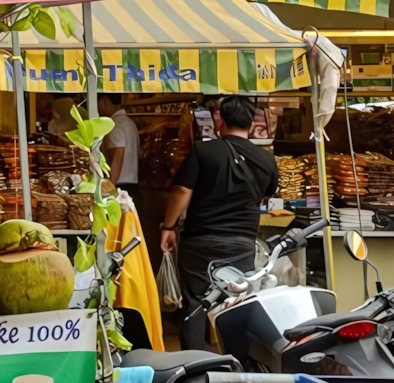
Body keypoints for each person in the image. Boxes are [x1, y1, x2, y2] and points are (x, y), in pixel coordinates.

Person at [158, 95, 278, 350]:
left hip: (201, 240)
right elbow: (267, 194)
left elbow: (182, 192)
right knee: (237, 301)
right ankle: (237, 363)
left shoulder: (204, 151)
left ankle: (193, 368)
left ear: (219, 120)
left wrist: (168, 227)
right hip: (242, 242)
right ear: (251, 122)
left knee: (195, 303)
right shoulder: (266, 159)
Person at [98, 93, 140, 199]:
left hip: (119, 189)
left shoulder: (115, 124)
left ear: (104, 100)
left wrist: (108, 192)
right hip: (132, 188)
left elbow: (117, 157)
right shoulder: (129, 122)